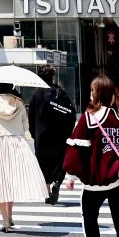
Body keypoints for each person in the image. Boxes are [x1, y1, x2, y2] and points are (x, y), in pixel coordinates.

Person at [62, 75, 119, 237]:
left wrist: (70, 177)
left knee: (90, 221)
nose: (91, 94)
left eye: (92, 90)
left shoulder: (89, 117)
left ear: (97, 94)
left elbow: (76, 151)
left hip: (94, 182)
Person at [0, 82, 49, 232]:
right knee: (10, 182)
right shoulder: (19, 103)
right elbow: (25, 127)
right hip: (16, 143)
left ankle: (5, 219)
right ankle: (10, 217)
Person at [28, 64, 76, 205]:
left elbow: (31, 117)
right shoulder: (60, 92)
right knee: (60, 162)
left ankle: (47, 190)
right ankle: (57, 182)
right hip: (60, 136)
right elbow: (71, 113)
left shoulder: (37, 95)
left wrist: (34, 133)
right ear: (53, 77)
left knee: (43, 164)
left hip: (42, 135)